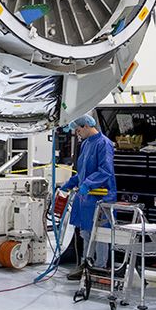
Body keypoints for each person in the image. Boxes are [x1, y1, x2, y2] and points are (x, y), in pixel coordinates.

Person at [60, 114, 116, 281]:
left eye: (78, 130)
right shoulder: (85, 144)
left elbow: (105, 171)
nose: (77, 134)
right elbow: (83, 171)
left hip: (101, 197)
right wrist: (70, 183)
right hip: (86, 198)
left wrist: (88, 184)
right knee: (85, 232)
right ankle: (86, 264)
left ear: (85, 126)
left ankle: (99, 267)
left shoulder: (103, 144)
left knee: (100, 234)